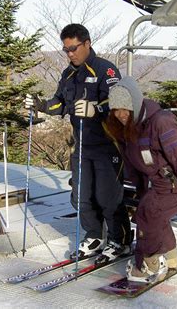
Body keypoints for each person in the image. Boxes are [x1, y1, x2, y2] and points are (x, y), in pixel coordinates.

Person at [24, 23, 132, 264]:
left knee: (107, 197)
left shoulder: (107, 70)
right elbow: (60, 103)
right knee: (81, 196)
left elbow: (119, 104)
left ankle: (120, 240)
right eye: (65, 49)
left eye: (73, 48)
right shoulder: (68, 74)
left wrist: (96, 108)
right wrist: (40, 105)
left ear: (87, 43)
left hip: (108, 145)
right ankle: (94, 236)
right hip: (82, 145)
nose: (70, 53)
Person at [105, 76, 177, 283]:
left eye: (125, 109)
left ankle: (148, 263)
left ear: (136, 104)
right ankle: (171, 257)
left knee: (147, 217)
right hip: (155, 184)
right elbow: (133, 163)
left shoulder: (161, 122)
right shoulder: (128, 127)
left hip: (173, 185)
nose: (121, 114)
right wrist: (141, 191)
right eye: (116, 109)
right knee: (151, 212)